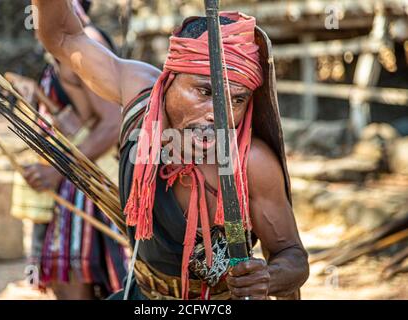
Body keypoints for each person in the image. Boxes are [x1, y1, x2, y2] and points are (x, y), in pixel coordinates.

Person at [32, 0, 310, 300]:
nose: (219, 113)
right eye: (204, 91)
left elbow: (293, 256)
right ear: (170, 79)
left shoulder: (250, 162)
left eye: (238, 100)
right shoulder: (138, 92)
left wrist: (267, 277)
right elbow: (63, 36)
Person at [23, 0, 127, 300]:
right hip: (73, 179)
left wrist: (58, 171)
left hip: (88, 183)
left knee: (84, 285)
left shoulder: (85, 43)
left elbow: (112, 123)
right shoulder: (60, 42)